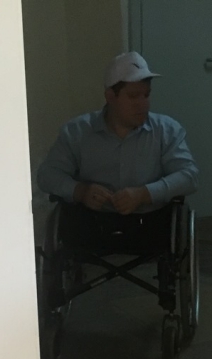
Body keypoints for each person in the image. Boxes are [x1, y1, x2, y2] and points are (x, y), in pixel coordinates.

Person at [36, 51, 198, 258]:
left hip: (150, 225)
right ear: (110, 97)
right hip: (89, 224)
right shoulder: (77, 132)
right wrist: (80, 191)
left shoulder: (167, 130)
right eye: (133, 96)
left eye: (146, 95)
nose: (143, 104)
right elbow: (47, 175)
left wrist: (144, 194)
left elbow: (189, 176)